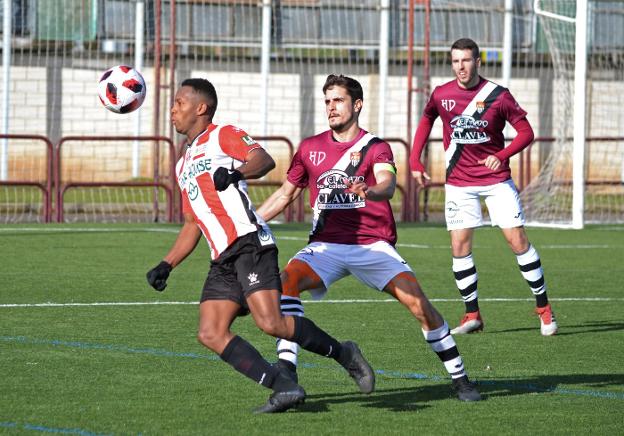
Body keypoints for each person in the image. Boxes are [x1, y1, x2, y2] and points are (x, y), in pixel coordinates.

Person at [146, 78, 375, 414]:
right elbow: (193, 222)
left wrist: (236, 173)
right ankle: (284, 387)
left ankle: (345, 354)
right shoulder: (183, 165)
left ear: (200, 108)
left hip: (250, 244)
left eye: (178, 103)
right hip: (222, 257)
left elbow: (263, 159)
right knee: (210, 332)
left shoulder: (222, 135)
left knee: (271, 323)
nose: (172, 110)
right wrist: (167, 263)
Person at [257, 74, 481, 402]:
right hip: (326, 245)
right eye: (327, 101)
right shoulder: (310, 148)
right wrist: (249, 222)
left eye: (338, 101)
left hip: (372, 244)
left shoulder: (375, 147)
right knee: (285, 282)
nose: (331, 107)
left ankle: (461, 379)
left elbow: (388, 184)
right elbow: (285, 194)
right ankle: (287, 373)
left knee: (419, 305)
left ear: (357, 105)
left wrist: (371, 190)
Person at [409, 38, 558, 336]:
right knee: (459, 247)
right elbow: (426, 121)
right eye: (455, 61)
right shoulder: (442, 94)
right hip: (459, 184)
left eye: (465, 60)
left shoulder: (498, 96)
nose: (460, 67)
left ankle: (544, 310)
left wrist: (501, 156)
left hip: (496, 181)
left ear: (478, 62)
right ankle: (472, 315)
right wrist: (415, 161)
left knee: (517, 241)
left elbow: (526, 132)